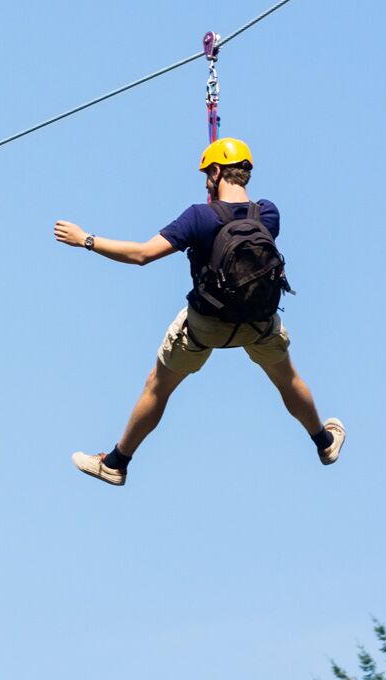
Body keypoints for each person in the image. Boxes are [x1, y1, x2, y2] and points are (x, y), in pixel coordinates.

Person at [50, 137, 344, 485]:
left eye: (207, 175)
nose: (205, 183)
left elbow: (142, 254)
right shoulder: (268, 214)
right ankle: (323, 442)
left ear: (217, 171)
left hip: (206, 326)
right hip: (257, 323)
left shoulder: (198, 217)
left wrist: (85, 239)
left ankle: (116, 463)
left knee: (157, 386)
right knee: (287, 380)